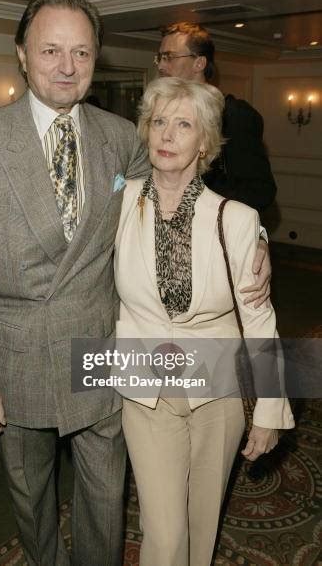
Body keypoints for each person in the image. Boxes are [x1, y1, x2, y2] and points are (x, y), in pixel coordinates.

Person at [0, 0, 150, 566]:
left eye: (81, 52)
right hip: (17, 354)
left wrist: (240, 236)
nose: (67, 66)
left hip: (98, 345)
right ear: (22, 55)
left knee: (106, 493)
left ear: (96, 58)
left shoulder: (121, 137)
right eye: (51, 50)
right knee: (31, 493)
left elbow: (160, 213)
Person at [114, 76, 294, 566]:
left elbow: (259, 317)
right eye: (158, 122)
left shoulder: (235, 218)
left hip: (218, 389)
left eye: (183, 124)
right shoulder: (119, 201)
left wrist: (268, 411)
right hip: (144, 386)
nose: (167, 135)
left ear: (204, 142)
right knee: (166, 534)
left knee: (202, 524)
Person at [157, 22, 275, 306]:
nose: (161, 66)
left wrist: (258, 238)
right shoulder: (159, 115)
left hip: (218, 255)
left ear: (199, 63)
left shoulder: (233, 116)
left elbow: (259, 192)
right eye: (159, 57)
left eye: (169, 57)